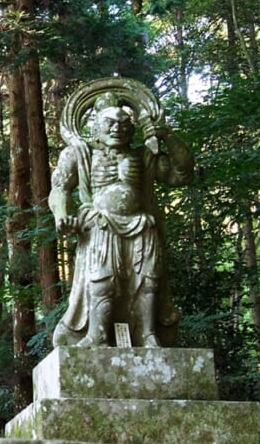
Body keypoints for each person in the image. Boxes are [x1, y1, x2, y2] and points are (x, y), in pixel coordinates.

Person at [50, 91, 193, 347]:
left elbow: (181, 174)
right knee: (102, 280)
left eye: (124, 124)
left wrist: (166, 135)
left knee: (149, 280)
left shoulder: (143, 155)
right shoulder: (80, 153)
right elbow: (59, 187)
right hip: (100, 223)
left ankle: (148, 334)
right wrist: (62, 215)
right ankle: (97, 334)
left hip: (141, 223)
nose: (117, 129)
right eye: (110, 123)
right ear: (96, 127)